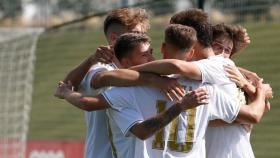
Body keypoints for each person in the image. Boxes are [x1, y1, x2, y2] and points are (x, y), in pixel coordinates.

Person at [56, 24, 271, 158]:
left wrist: (66, 93)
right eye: (145, 55)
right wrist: (258, 91)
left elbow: (89, 101)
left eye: (151, 53)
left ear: (162, 49)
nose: (151, 58)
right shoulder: (203, 88)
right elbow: (253, 114)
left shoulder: (132, 90)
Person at [55, 8, 184, 158]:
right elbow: (97, 79)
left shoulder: (146, 66)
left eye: (143, 34)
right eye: (136, 34)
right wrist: (154, 80)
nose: (142, 38)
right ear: (114, 39)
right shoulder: (101, 67)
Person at [205, 23, 271, 158]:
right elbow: (201, 119)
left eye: (228, 50)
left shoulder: (235, 77)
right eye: (217, 46)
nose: (222, 55)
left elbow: (264, 106)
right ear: (206, 45)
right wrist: (240, 118)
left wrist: (246, 84)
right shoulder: (198, 77)